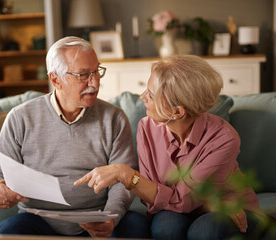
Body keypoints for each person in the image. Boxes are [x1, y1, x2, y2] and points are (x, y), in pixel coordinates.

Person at [75, 55, 266, 239]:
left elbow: (179, 199)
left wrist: (125, 174)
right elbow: (151, 201)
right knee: (165, 227)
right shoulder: (146, 128)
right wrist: (206, 204)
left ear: (177, 112)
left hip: (231, 209)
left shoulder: (224, 139)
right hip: (192, 207)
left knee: (205, 231)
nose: (142, 97)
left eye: (150, 94)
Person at [0, 36, 150, 239]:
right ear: (56, 79)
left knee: (137, 227)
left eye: (97, 71)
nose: (95, 82)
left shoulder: (114, 118)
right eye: (83, 75)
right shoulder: (20, 117)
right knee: (7, 233)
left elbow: (122, 182)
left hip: (97, 217)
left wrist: (111, 218)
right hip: (38, 220)